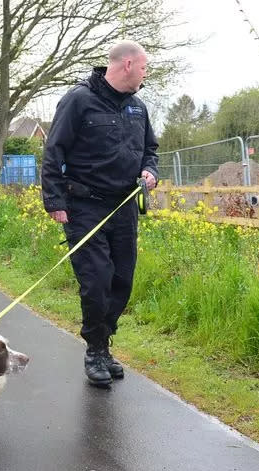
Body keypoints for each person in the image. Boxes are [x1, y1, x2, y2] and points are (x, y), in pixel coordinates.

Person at [41, 40, 159, 387]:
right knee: (96, 281)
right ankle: (94, 351)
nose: (145, 73)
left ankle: (105, 345)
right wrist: (55, 200)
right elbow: (54, 151)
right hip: (84, 206)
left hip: (124, 208)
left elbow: (150, 149)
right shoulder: (78, 100)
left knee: (122, 281)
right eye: (143, 67)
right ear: (127, 65)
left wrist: (151, 171)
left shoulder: (138, 108)